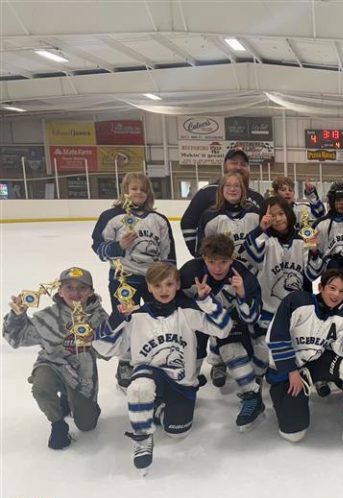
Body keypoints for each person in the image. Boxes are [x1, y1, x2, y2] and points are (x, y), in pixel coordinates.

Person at [93, 262, 233, 473]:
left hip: (182, 382)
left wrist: (206, 301)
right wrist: (117, 318)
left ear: (177, 285)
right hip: (149, 374)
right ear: (149, 288)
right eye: (157, 286)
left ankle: (155, 409)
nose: (163, 290)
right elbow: (104, 348)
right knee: (139, 388)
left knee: (178, 432)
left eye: (169, 284)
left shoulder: (187, 312)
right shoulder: (135, 315)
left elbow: (223, 329)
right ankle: (142, 439)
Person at [265, 269, 343, 455]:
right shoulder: (297, 301)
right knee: (294, 434)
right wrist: (291, 372)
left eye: (341, 291)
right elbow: (276, 337)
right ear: (321, 287)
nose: (336, 295)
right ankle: (284, 401)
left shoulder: (340, 317)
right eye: (332, 288)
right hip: (287, 369)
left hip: (313, 365)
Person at [3, 267, 108, 449]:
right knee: (41, 387)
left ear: (91, 291)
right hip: (52, 364)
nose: (75, 293)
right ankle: (58, 424)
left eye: (82, 288)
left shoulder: (99, 317)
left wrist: (100, 337)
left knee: (87, 425)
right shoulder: (48, 316)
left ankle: (73, 398)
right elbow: (17, 339)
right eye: (69, 287)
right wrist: (17, 315)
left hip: (82, 374)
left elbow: (107, 352)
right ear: (60, 290)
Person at [91, 172, 176, 388]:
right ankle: (125, 361)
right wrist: (118, 247)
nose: (138, 192)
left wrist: (170, 278)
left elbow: (168, 253)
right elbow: (99, 248)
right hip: (124, 279)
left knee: (153, 318)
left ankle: (152, 356)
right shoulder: (111, 216)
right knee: (125, 319)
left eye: (142, 189)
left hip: (153, 279)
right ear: (125, 191)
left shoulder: (159, 220)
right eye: (133, 188)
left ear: (148, 193)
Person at [179, 235, 263, 430]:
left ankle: (252, 396)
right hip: (200, 319)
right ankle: (185, 387)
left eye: (223, 262)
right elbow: (174, 303)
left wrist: (241, 294)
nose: (218, 268)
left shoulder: (244, 275)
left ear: (232, 259)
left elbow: (251, 318)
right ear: (204, 259)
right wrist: (198, 300)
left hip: (229, 321)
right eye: (211, 262)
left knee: (232, 350)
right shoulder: (190, 270)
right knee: (191, 349)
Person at [241, 196, 324, 387]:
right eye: (272, 215)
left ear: (289, 214)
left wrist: (314, 251)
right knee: (263, 346)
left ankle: (308, 374)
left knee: (298, 343)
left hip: (296, 309)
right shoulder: (265, 239)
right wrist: (261, 228)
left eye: (281, 213)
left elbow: (312, 274)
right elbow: (252, 256)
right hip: (269, 306)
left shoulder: (302, 239)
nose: (277, 219)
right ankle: (257, 378)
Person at [180, 148, 265, 256]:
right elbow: (188, 222)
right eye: (234, 163)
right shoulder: (206, 193)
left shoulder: (257, 197)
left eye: (243, 164)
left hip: (251, 266)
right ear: (225, 166)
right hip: (219, 265)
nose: (238, 167)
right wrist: (200, 254)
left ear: (248, 169)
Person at [195, 171, 261, 259]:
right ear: (221, 189)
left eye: (237, 186)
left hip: (252, 271)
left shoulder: (255, 213)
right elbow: (201, 252)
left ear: (242, 189)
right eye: (228, 185)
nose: (232, 189)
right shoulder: (209, 216)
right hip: (221, 271)